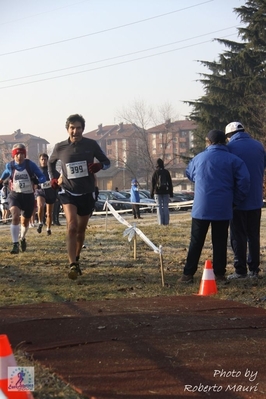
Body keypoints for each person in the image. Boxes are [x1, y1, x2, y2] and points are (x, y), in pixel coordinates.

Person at [179, 130, 250, 283]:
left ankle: (188, 274)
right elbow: (244, 181)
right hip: (223, 207)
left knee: (196, 241)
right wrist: (235, 200)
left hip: (201, 207)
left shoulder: (199, 158)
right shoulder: (233, 160)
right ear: (225, 141)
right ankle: (219, 275)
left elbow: (189, 174)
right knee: (220, 242)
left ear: (208, 141)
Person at [48, 113, 110, 280]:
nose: (75, 131)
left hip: (87, 192)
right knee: (72, 225)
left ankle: (77, 257)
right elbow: (50, 162)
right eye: (72, 128)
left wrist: (99, 166)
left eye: (78, 128)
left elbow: (107, 162)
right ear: (67, 129)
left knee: (81, 230)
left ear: (83, 129)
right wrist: (53, 178)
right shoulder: (60, 147)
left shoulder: (91, 144)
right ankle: (72, 264)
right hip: (68, 191)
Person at [225, 121, 266, 279]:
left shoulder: (230, 149)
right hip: (256, 199)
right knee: (253, 235)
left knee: (237, 236)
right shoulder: (258, 146)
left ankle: (240, 269)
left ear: (229, 136)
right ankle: (254, 269)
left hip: (238, 201)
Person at [0, 143, 46, 254]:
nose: (19, 156)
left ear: (25, 155)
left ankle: (22, 238)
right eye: (17, 154)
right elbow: (4, 175)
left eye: (21, 154)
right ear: (13, 155)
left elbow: (42, 177)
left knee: (25, 222)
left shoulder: (30, 165)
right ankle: (15, 244)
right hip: (15, 195)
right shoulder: (10, 166)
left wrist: (38, 180)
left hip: (28, 196)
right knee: (15, 215)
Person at [35, 153, 60, 236]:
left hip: (51, 192)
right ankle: (40, 222)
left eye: (45, 159)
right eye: (42, 159)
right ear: (39, 160)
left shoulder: (52, 170)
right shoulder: (37, 170)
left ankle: (48, 229)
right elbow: (33, 180)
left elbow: (59, 181)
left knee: (49, 213)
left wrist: (57, 191)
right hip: (40, 191)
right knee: (40, 206)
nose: (43, 161)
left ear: (47, 160)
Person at [150, 158, 173, 225]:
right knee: (166, 207)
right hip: (165, 191)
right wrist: (171, 193)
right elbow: (170, 183)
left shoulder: (155, 172)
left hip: (157, 192)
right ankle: (166, 222)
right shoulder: (166, 172)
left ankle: (160, 222)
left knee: (159, 207)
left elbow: (153, 184)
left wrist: (151, 193)